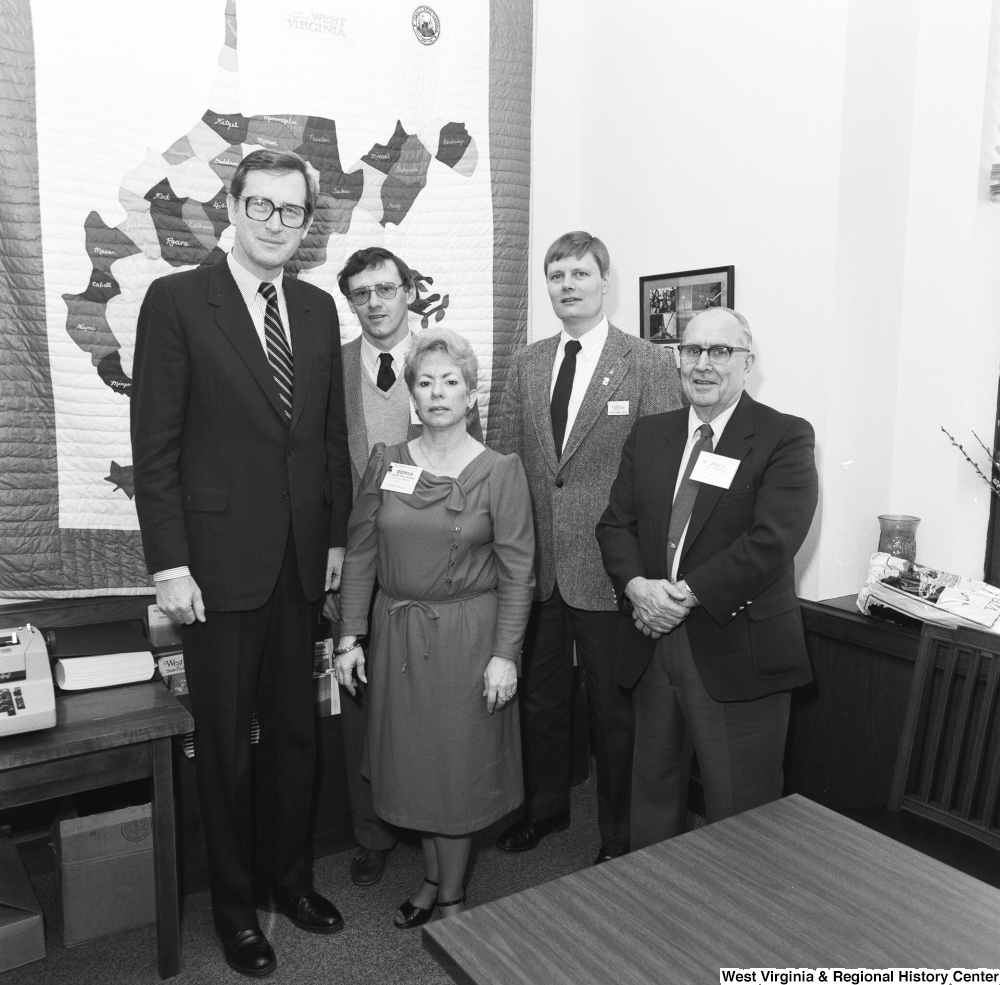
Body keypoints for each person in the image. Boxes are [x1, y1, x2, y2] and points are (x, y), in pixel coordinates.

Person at [131, 149, 352, 977]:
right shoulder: (179, 300)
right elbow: (153, 451)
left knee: (297, 738)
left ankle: (290, 882)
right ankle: (235, 912)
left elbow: (326, 438)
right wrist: (170, 565)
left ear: (307, 223)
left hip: (299, 566)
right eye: (261, 205)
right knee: (224, 748)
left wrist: (331, 539)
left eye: (292, 211)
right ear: (232, 205)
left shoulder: (320, 310)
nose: (275, 224)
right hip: (214, 573)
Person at [596, 307, 818, 850]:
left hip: (735, 647)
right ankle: (656, 914)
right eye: (690, 351)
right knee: (652, 795)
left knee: (742, 813)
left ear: (748, 362)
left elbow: (771, 541)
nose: (702, 364)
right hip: (652, 641)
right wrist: (637, 588)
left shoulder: (784, 436)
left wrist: (685, 594)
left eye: (719, 352)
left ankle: (741, 930)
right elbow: (614, 525)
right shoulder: (650, 435)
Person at [334, 327, 534, 926]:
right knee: (416, 768)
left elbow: (519, 572)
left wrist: (507, 655)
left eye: (451, 382)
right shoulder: (386, 463)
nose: (438, 392)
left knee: (457, 771)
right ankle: (429, 879)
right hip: (398, 636)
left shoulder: (500, 470)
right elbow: (362, 552)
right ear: (412, 397)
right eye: (426, 382)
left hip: (469, 640)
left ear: (471, 395)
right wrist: (349, 637)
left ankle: (451, 898)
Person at [495, 231, 683, 864]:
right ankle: (544, 809)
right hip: (538, 567)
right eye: (556, 275)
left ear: (606, 283)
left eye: (579, 273)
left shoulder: (650, 362)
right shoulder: (525, 363)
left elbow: (664, 469)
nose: (567, 285)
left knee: (613, 711)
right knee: (541, 701)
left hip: (612, 571)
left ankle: (619, 835)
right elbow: (508, 461)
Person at [331, 247, 483, 887]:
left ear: (407, 292)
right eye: (360, 291)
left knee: (432, 707)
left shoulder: (439, 360)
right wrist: (335, 547)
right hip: (359, 552)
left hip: (432, 563)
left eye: (385, 288)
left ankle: (441, 830)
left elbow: (475, 465)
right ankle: (372, 832)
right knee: (361, 693)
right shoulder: (331, 366)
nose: (374, 301)